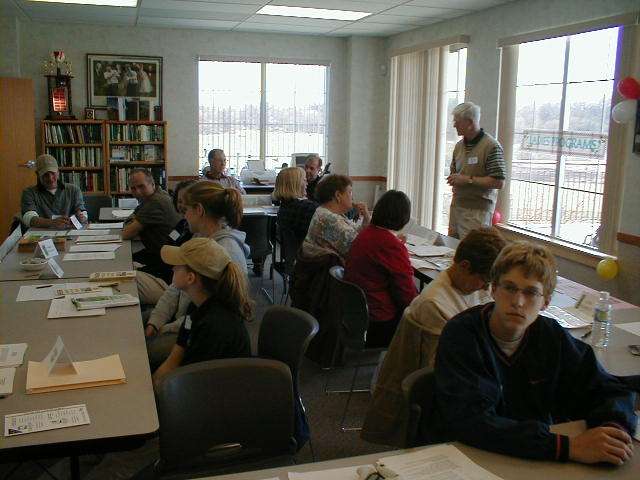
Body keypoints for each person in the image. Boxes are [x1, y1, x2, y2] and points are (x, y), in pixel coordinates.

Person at [427, 241, 637, 465]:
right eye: (509, 288)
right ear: (493, 289)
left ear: (545, 302)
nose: (518, 302)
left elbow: (608, 389)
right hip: (471, 458)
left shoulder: (551, 336)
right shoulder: (462, 335)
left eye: (531, 293)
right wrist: (566, 447)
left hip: (534, 458)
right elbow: (472, 422)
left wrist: (612, 431)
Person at [361, 227, 506, 446]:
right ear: (465, 267)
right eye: (484, 281)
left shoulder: (467, 287)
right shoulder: (435, 304)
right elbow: (451, 369)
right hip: (445, 396)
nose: (486, 288)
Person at [144, 181, 250, 369]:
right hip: (187, 323)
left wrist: (165, 329)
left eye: (186, 210)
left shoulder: (226, 251)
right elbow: (174, 289)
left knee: (141, 353)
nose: (183, 215)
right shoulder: (198, 239)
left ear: (199, 210)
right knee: (141, 325)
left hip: (201, 333)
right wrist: (156, 321)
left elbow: (207, 317)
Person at [152, 237, 252, 388]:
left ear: (190, 278)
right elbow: (176, 356)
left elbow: (193, 383)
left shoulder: (214, 327)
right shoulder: (196, 307)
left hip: (215, 396)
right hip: (197, 385)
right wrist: (153, 382)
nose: (172, 268)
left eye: (178, 266)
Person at [345, 190, 417, 348]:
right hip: (379, 316)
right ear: (403, 218)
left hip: (357, 310)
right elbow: (407, 294)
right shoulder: (390, 245)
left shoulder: (367, 234)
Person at [447, 102, 506, 239]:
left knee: (471, 252)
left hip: (477, 211)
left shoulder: (491, 146)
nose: (454, 125)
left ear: (469, 122)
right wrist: (454, 179)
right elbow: (455, 172)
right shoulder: (459, 146)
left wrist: (468, 180)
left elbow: (499, 182)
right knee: (452, 250)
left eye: (457, 121)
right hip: (457, 206)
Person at [135, 179, 196, 306]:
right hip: (161, 273)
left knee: (126, 280)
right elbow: (166, 248)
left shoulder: (195, 232)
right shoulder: (182, 225)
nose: (182, 205)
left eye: (187, 202)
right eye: (179, 201)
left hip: (171, 284)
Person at [122, 169, 181, 283]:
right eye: (133, 188)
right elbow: (129, 221)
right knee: (125, 258)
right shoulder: (158, 194)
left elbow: (126, 233)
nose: (137, 192)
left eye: (141, 186)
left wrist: (134, 221)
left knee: (122, 264)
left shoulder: (155, 202)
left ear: (152, 184)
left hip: (166, 262)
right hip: (164, 252)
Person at [301, 174, 370, 261]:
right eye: (350, 192)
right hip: (336, 271)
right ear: (338, 195)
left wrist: (366, 219)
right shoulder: (330, 219)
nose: (352, 197)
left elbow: (355, 232)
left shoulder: (326, 211)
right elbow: (361, 249)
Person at [21, 154, 88, 229]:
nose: (50, 178)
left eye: (53, 173)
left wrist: (82, 217)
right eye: (45, 175)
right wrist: (52, 223)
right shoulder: (29, 193)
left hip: (70, 233)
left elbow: (83, 212)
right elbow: (29, 219)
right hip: (41, 236)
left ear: (58, 172)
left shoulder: (74, 190)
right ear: (38, 174)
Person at [273, 166, 318, 244]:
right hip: (310, 253)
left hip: (293, 254)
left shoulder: (285, 206)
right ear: (296, 184)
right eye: (304, 180)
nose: (307, 183)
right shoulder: (308, 208)